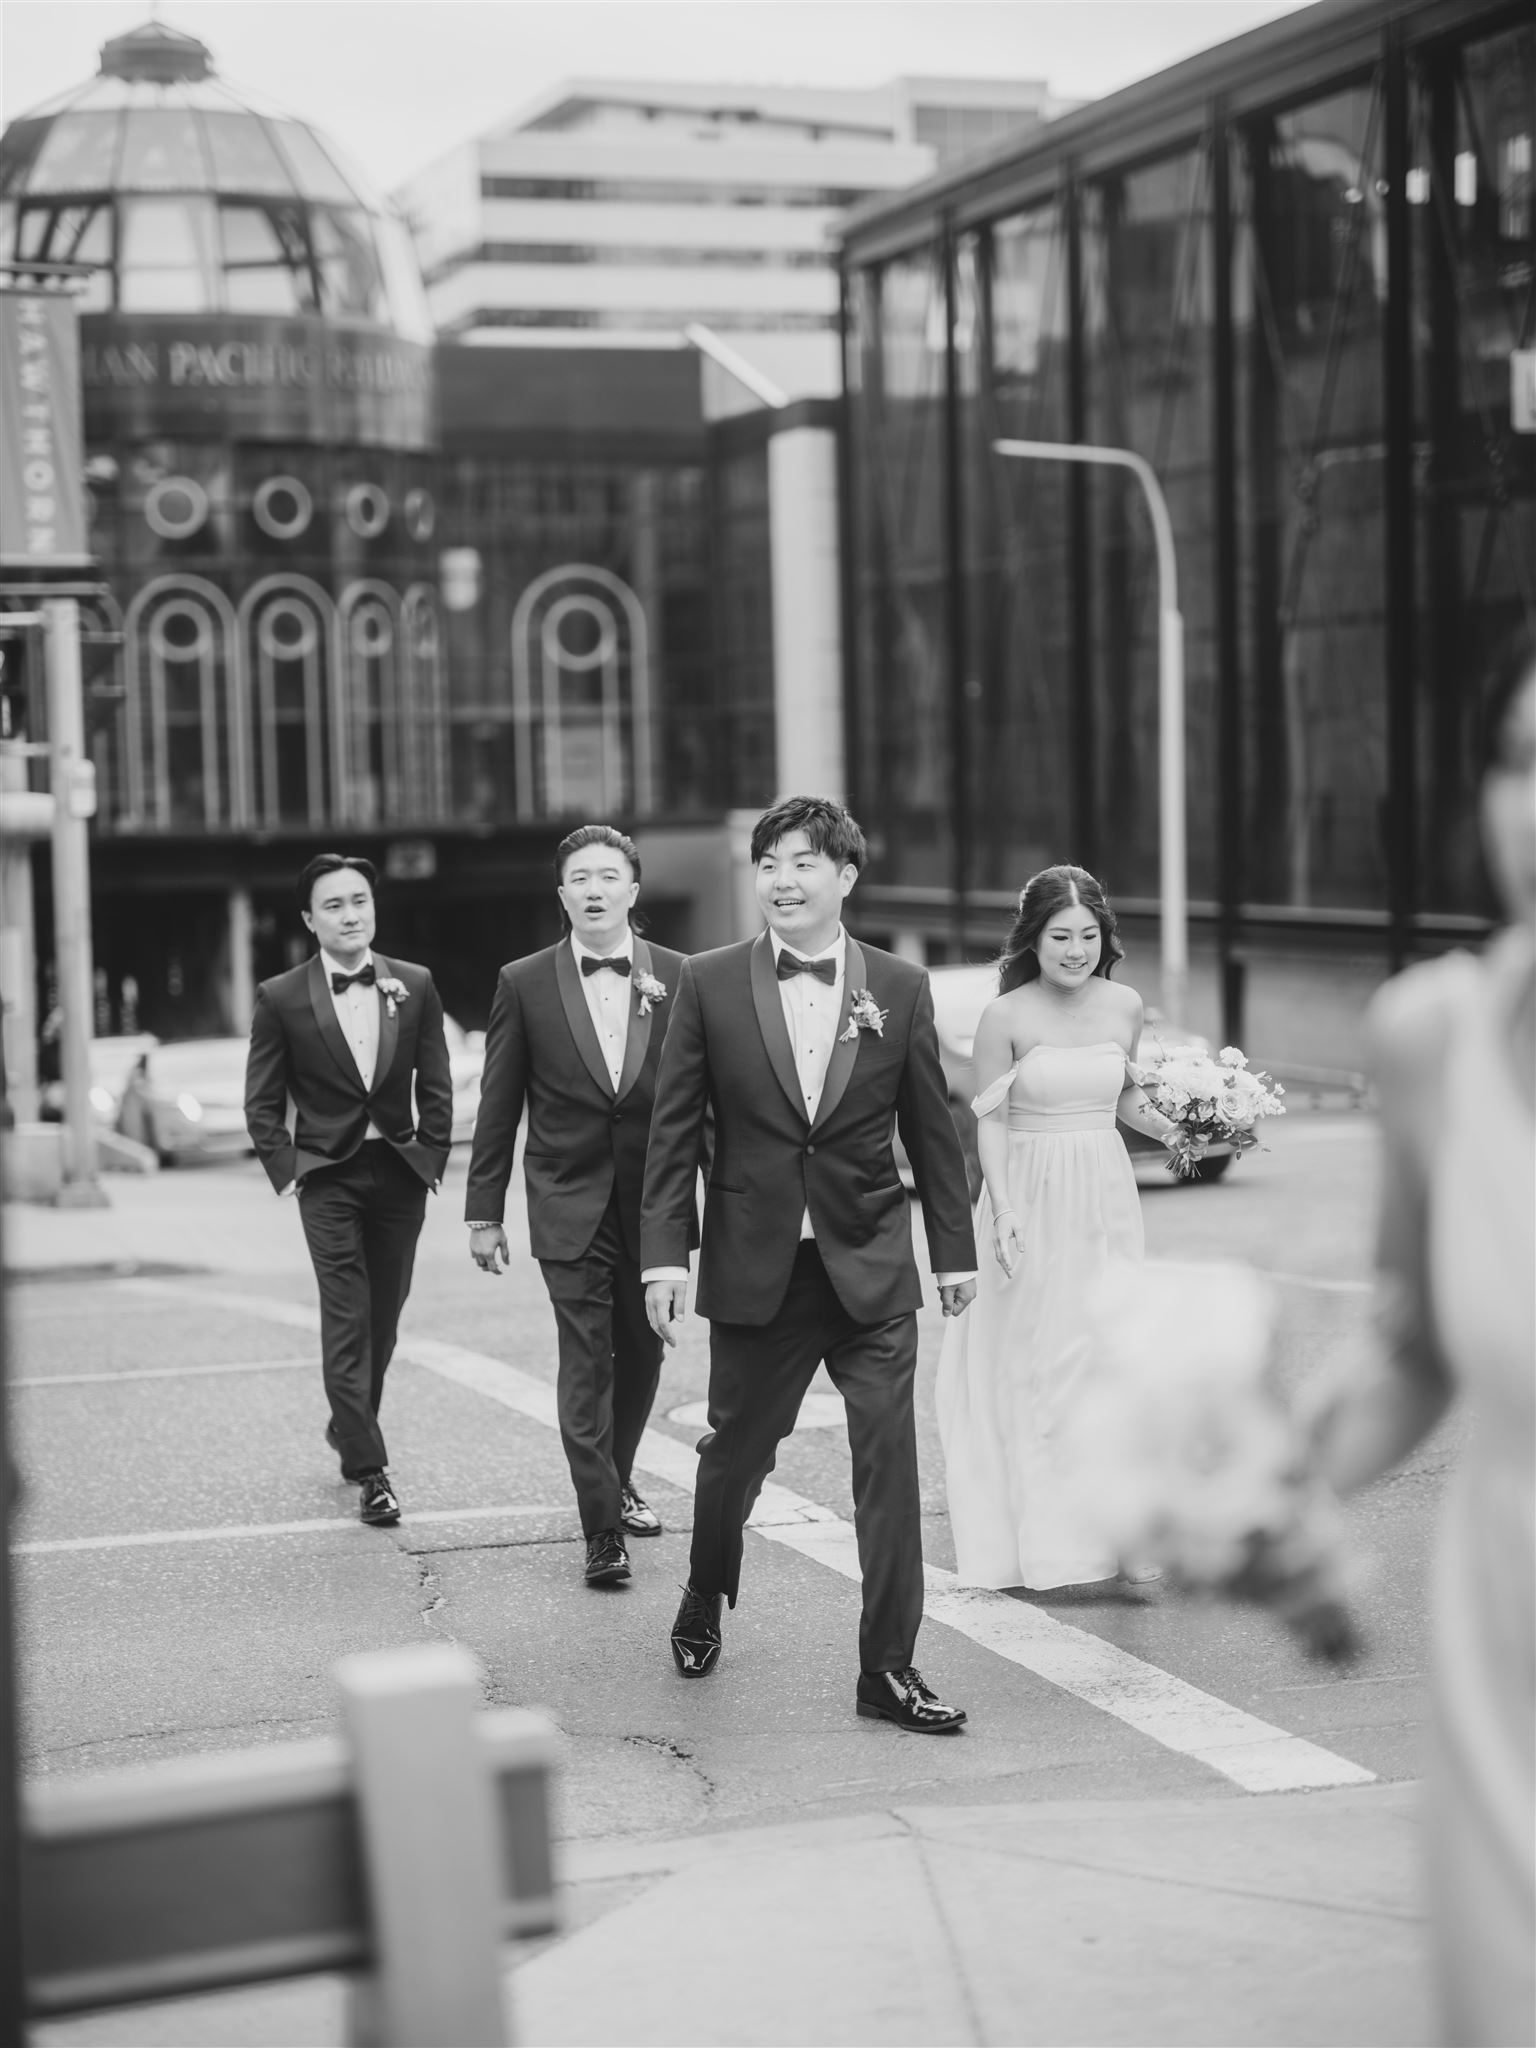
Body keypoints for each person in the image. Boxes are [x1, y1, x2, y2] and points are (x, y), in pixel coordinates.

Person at [1307, 634, 1534, 2046]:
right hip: (1511, 1641)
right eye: (1520, 761)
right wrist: (1261, 1480)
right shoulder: (1435, 1035)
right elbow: (1413, 1347)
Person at [641, 795, 978, 1732]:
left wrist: (952, 1251)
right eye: (769, 864)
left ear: (845, 877)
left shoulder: (900, 989)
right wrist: (664, 1258)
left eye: (801, 863)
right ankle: (707, 1587)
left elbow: (935, 1129)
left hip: (870, 1264)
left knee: (890, 1464)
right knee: (735, 1456)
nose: (782, 881)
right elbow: (673, 1137)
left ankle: (889, 1669)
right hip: (761, 1268)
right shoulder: (707, 983)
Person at [935, 865, 1194, 1592]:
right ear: (1033, 940)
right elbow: (991, 1123)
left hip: (1106, 1200)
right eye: (1061, 936)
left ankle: (1115, 1537)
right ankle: (1046, 1544)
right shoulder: (1005, 1017)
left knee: (1107, 1359)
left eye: (1089, 935)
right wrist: (1006, 1209)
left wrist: (1186, 1128)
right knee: (1037, 1365)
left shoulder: (1126, 1006)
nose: (1076, 949)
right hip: (1030, 1196)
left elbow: (1124, 1100)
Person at [465, 826, 691, 1588]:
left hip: (656, 1206)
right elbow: (499, 1104)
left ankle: (618, 1476)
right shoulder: (523, 981)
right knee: (587, 1364)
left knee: (644, 1355)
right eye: (579, 878)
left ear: (633, 889)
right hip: (567, 1202)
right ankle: (601, 1528)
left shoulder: (684, 976)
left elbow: (707, 1103)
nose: (594, 889)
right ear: (561, 895)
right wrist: (483, 1210)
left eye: (608, 875)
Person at [245, 854, 452, 1527]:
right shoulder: (281, 997)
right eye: (333, 905)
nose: (350, 914)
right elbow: (262, 1101)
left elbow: (437, 1082)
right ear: (309, 919)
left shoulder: (413, 984)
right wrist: (290, 1168)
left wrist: (433, 1155)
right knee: (346, 1316)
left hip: (398, 1172)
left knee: (384, 1318)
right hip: (328, 1177)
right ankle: (372, 1470)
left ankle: (348, 1423)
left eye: (359, 900)